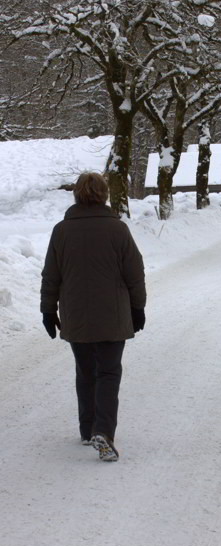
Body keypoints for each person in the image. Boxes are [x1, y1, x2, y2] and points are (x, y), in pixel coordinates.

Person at [40, 172, 146, 463]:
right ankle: (104, 432)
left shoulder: (61, 231)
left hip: (75, 316)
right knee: (108, 373)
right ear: (104, 195)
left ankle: (88, 430)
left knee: (85, 371)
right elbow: (135, 274)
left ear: (76, 194)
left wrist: (48, 310)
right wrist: (138, 307)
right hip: (113, 316)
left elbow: (51, 275)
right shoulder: (118, 230)